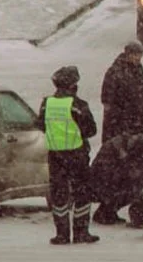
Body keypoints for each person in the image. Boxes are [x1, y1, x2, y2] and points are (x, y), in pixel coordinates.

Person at [39, 66, 100, 245]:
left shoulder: (46, 103)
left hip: (55, 156)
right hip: (76, 154)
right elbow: (91, 129)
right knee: (82, 193)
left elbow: (40, 125)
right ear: (73, 85)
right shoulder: (77, 105)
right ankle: (81, 233)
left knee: (59, 195)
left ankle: (62, 234)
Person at [89, 124, 143, 228]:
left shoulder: (125, 144)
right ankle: (105, 212)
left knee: (133, 183)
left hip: (106, 182)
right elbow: (122, 170)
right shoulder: (116, 148)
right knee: (131, 187)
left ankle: (108, 211)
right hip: (102, 184)